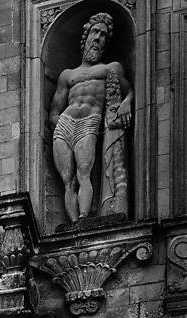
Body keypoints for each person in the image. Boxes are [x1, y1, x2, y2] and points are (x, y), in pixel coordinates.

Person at [49, 12, 133, 223]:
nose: (98, 38)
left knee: (83, 173)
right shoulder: (67, 75)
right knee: (68, 180)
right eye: (95, 32)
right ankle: (74, 223)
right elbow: (54, 110)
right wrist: (58, 122)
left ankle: (85, 218)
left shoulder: (110, 68)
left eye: (103, 35)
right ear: (86, 36)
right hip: (66, 123)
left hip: (89, 122)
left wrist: (126, 102)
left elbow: (130, 91)